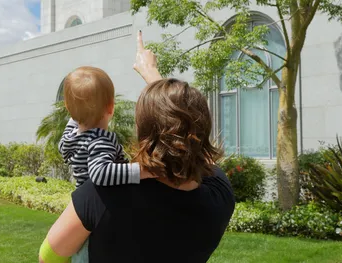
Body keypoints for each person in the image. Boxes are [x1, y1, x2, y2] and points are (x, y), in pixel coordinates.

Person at [38, 31, 235, 263]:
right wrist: (153, 75)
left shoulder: (101, 195)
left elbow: (48, 257)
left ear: (143, 131)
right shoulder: (220, 193)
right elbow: (196, 147)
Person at [58, 66, 153, 188]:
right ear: (110, 107)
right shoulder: (99, 140)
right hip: (103, 201)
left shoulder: (68, 139)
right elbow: (100, 172)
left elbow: (72, 122)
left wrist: (78, 109)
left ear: (67, 108)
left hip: (83, 198)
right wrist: (142, 171)